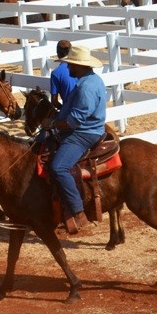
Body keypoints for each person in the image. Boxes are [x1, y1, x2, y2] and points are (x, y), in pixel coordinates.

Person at [49, 45, 106, 235]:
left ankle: (77, 210)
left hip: (84, 133)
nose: (68, 68)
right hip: (88, 129)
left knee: (58, 167)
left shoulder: (86, 87)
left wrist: (54, 125)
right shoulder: (89, 80)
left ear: (78, 65)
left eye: (70, 64)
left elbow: (75, 120)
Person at [50, 40, 77, 108]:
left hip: (70, 112)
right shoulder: (81, 68)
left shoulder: (56, 73)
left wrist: (64, 110)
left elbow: (54, 101)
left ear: (58, 53)